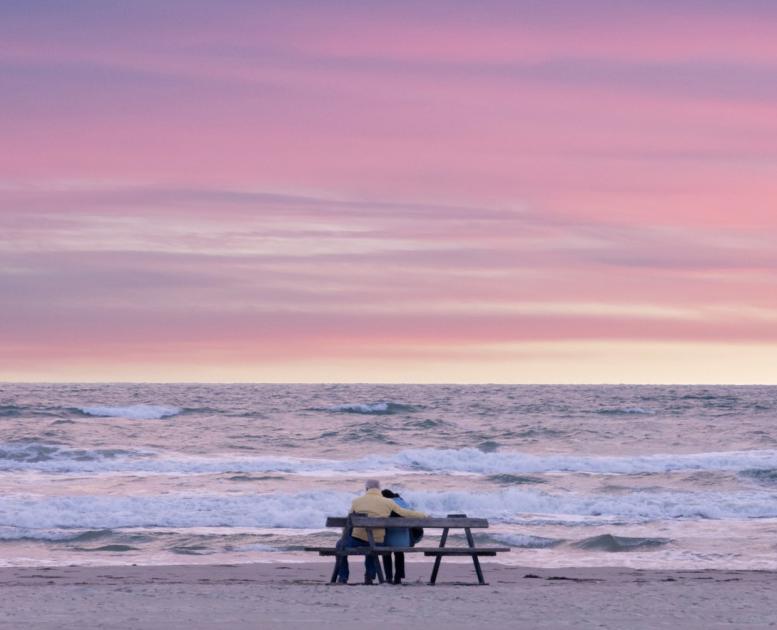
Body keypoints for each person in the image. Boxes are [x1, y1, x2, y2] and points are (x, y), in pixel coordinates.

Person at [336, 479, 426, 584]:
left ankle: (343, 577)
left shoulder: (357, 501)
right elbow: (405, 513)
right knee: (371, 545)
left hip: (359, 539)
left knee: (340, 544)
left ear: (366, 489)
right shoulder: (388, 502)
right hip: (379, 542)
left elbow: (348, 522)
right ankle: (369, 575)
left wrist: (345, 536)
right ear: (379, 489)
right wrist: (423, 515)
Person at [380, 489, 416, 584]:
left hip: (388, 540)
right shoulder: (404, 503)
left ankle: (388, 577)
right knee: (399, 553)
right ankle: (398, 577)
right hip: (404, 541)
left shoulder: (387, 504)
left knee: (386, 553)